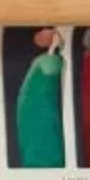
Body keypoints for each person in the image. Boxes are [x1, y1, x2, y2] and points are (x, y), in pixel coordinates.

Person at [12, 25, 66, 168]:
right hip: (35, 108)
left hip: (41, 108)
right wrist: (52, 48)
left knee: (45, 139)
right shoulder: (43, 60)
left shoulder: (51, 60)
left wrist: (53, 48)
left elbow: (49, 71)